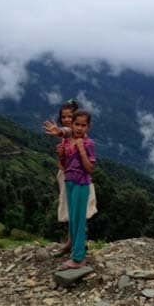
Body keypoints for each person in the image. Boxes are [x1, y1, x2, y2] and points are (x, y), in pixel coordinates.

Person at [44, 100, 97, 254]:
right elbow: (63, 161)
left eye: (70, 116)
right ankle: (72, 242)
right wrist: (60, 155)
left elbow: (65, 131)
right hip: (67, 175)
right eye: (64, 117)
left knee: (81, 210)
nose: (67, 119)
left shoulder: (78, 136)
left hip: (80, 178)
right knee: (71, 209)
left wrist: (59, 131)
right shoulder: (68, 136)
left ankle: (78, 244)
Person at [57, 110, 95, 270]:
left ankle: (78, 259)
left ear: (88, 127)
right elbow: (65, 166)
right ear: (71, 125)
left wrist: (81, 150)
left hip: (81, 184)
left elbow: (90, 169)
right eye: (76, 124)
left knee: (79, 221)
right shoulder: (67, 142)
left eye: (83, 125)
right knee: (73, 219)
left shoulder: (88, 144)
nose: (79, 128)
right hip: (69, 182)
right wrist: (61, 155)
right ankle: (75, 252)